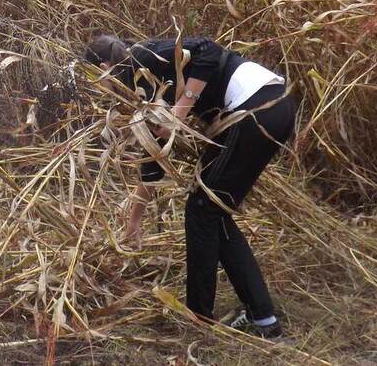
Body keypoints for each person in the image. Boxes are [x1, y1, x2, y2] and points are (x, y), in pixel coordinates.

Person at [84, 34, 297, 340]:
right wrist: (134, 221)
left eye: (94, 79)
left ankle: (199, 320)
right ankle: (263, 320)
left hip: (259, 107)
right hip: (270, 109)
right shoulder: (140, 86)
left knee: (202, 210)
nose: (98, 89)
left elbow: (208, 49)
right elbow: (153, 156)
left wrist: (182, 109)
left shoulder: (142, 58)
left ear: (103, 67)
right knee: (211, 211)